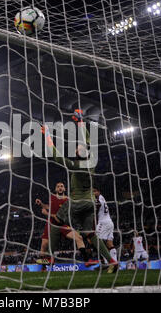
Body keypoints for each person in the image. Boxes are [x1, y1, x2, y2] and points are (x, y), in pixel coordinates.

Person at [42, 110, 118, 273]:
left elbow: (55, 154)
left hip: (76, 202)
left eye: (78, 147)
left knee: (54, 224)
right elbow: (88, 141)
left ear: (78, 153)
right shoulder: (92, 164)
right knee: (90, 235)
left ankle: (51, 258)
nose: (78, 146)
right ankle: (112, 261)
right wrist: (81, 122)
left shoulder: (75, 166)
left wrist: (47, 135)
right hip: (90, 203)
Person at [35, 182, 90, 266]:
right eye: (58, 186)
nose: (60, 188)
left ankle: (87, 261)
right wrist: (41, 204)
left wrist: (47, 214)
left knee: (79, 238)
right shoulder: (52, 197)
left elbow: (59, 216)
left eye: (61, 186)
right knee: (44, 245)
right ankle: (44, 267)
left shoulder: (68, 200)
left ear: (64, 189)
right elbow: (49, 207)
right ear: (55, 189)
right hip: (51, 224)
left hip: (62, 224)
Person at [93, 188, 118, 263]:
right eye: (92, 192)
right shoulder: (102, 197)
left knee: (96, 241)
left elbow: (97, 205)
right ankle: (115, 263)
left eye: (95, 191)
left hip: (103, 223)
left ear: (98, 191)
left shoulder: (98, 200)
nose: (93, 193)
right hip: (109, 222)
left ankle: (104, 262)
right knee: (109, 243)